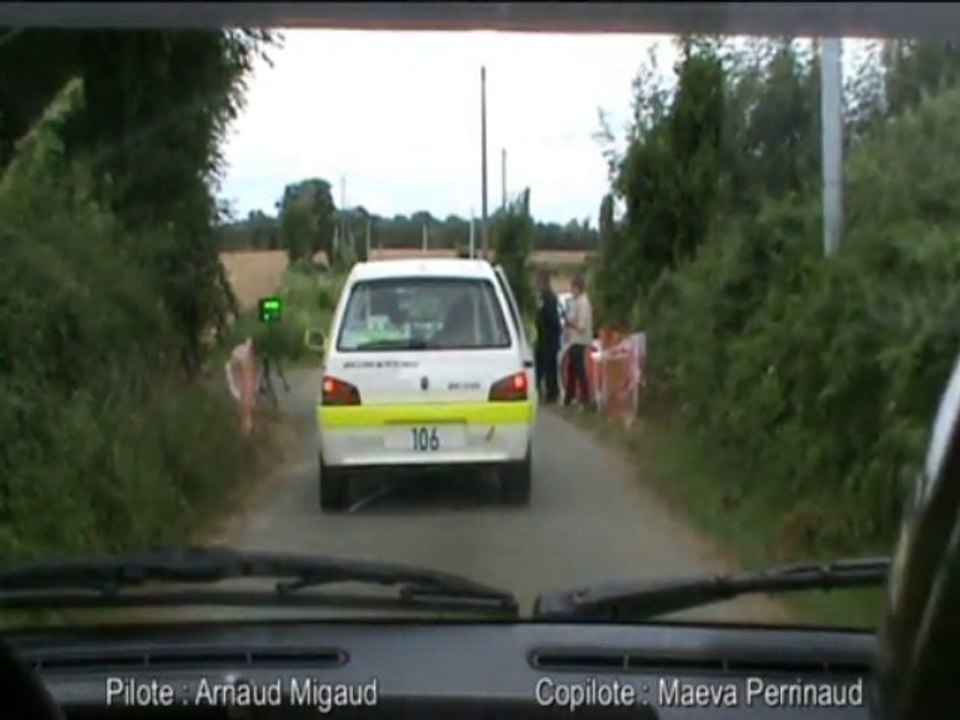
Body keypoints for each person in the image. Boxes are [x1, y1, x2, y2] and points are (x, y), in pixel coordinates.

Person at [563, 273, 594, 410]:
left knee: (578, 369)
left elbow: (582, 325)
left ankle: (584, 397)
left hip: (580, 341)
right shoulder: (575, 302)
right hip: (574, 340)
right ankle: (570, 397)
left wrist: (570, 324)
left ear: (578, 288)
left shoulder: (584, 303)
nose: (571, 291)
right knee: (572, 368)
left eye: (573, 288)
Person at [534, 269, 562, 404]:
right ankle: (540, 390)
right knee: (540, 365)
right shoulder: (542, 297)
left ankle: (552, 393)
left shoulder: (549, 298)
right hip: (542, 337)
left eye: (538, 281)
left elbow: (552, 318)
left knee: (550, 366)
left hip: (549, 338)